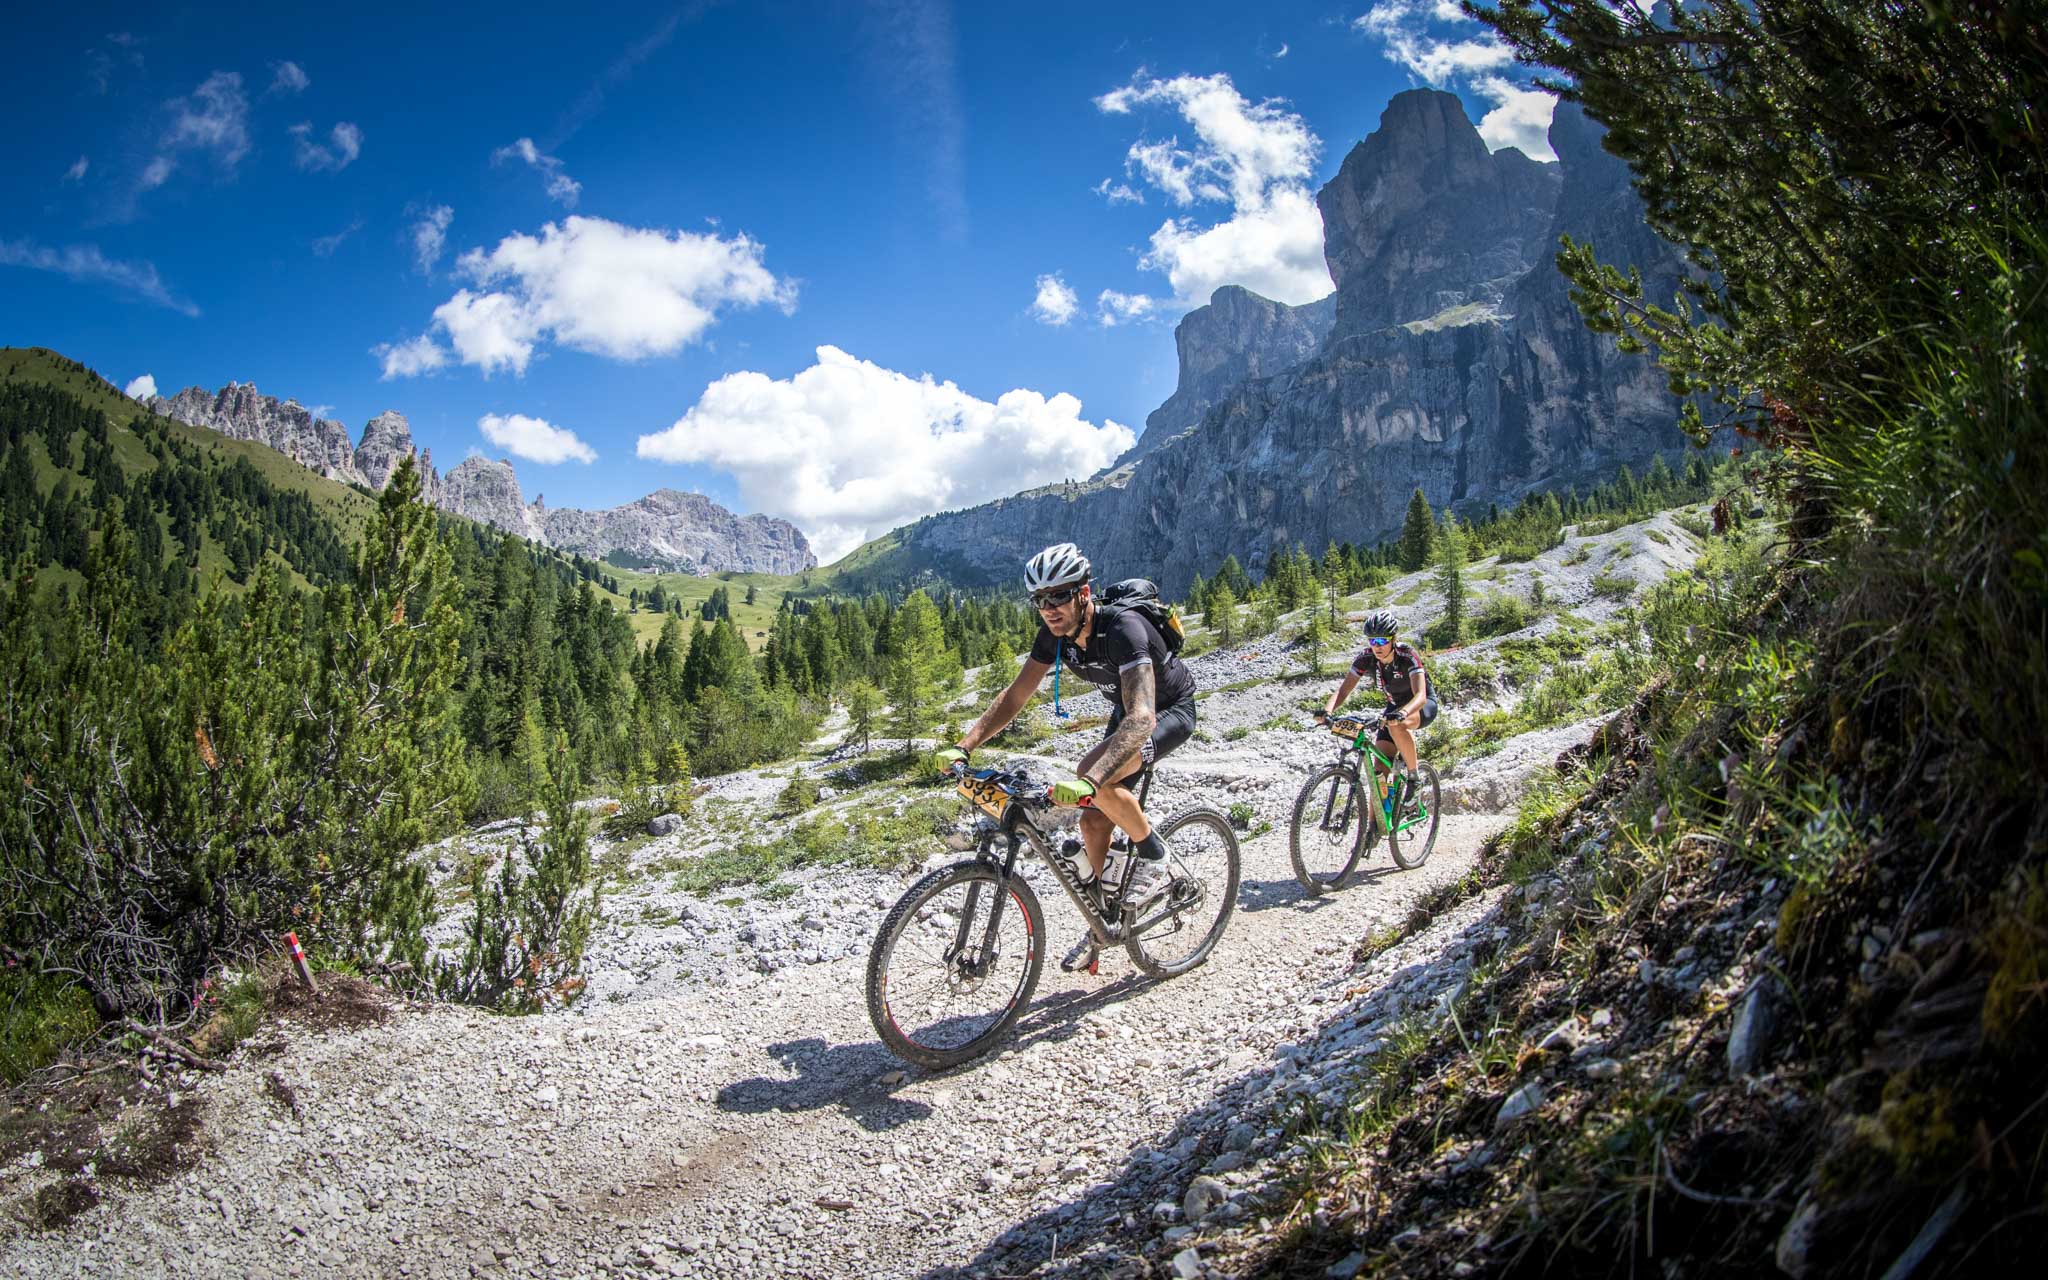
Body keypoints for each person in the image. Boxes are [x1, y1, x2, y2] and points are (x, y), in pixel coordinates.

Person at [929, 542, 1198, 973]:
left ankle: (1153, 854)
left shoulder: (1124, 628)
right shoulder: (1054, 637)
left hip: (1165, 712)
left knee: (1095, 778)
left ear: (1083, 594)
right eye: (1039, 600)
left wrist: (1091, 781)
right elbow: (1016, 695)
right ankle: (1102, 924)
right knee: (1092, 821)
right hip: (1125, 712)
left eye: (1058, 596)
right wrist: (965, 745)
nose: (1048, 608)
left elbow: (1143, 717)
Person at [1315, 610, 1436, 805]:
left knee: (1397, 725)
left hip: (1420, 705)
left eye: (1381, 641)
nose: (1376, 647)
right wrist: (1327, 712)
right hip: (1394, 708)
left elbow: (1420, 695)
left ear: (1393, 639)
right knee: (1379, 773)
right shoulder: (1366, 657)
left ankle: (1414, 779)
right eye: (1372, 641)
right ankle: (1373, 829)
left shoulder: (1406, 655)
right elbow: (1343, 691)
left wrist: (1403, 713)